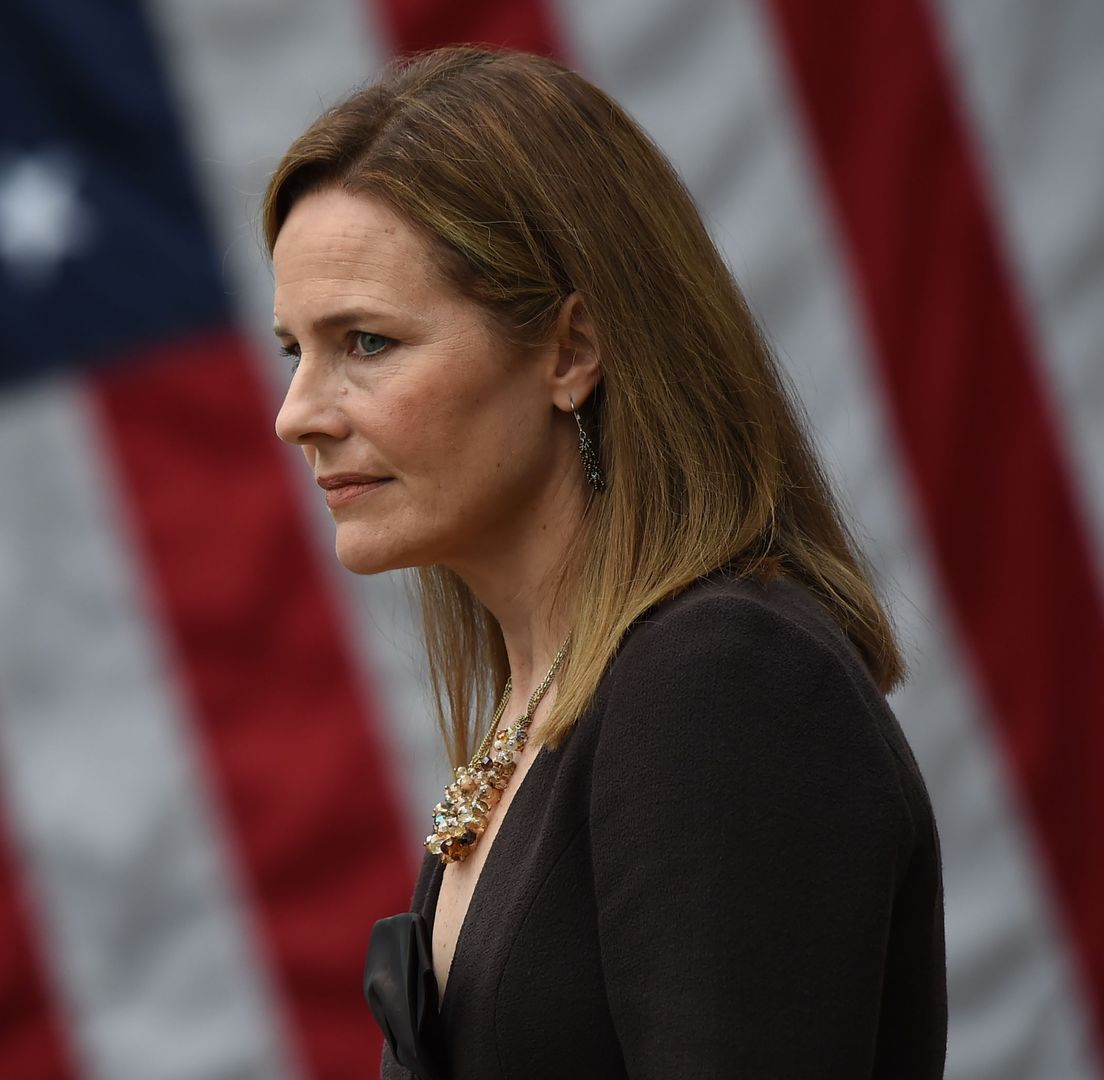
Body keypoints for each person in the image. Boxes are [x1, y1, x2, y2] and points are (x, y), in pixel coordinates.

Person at [262, 45, 946, 1078]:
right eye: (293, 351)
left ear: (572, 351)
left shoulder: (722, 680)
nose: (296, 415)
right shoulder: (552, 705)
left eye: (365, 342)